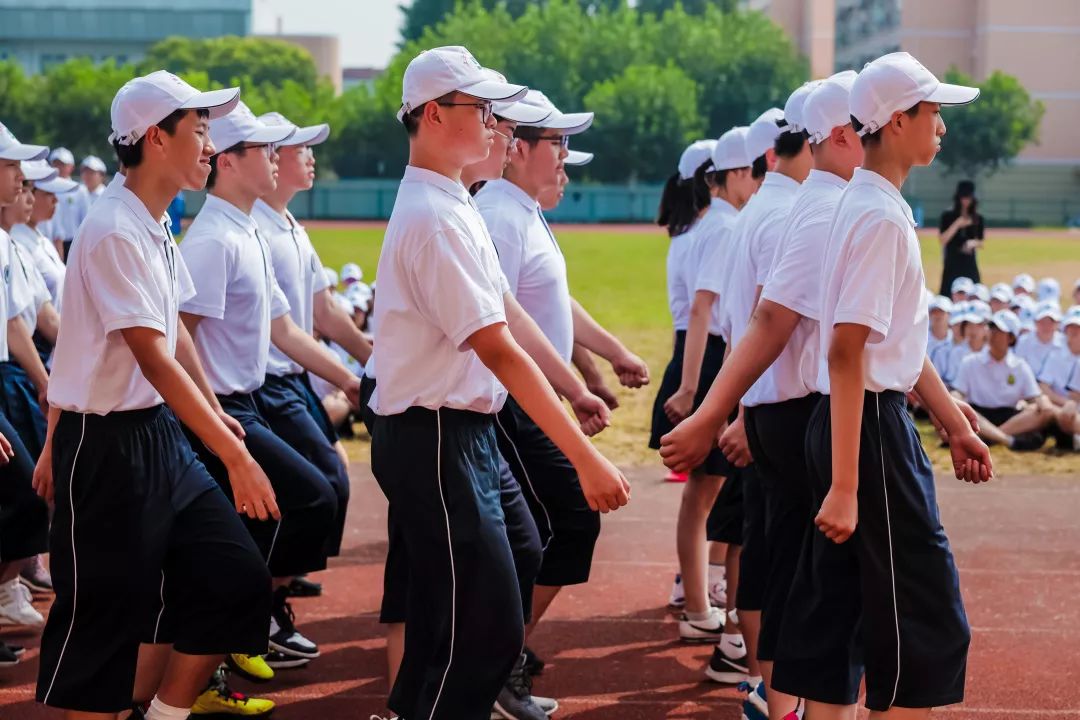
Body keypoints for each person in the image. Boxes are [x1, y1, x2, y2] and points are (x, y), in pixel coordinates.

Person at [370, 45, 629, 720]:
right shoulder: (436, 216)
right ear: (432, 114)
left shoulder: (456, 202)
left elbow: (508, 314)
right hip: (432, 433)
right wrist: (584, 454)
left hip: (463, 432)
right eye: (482, 109)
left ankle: (410, 709)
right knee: (480, 623)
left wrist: (576, 386)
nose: (496, 125)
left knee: (511, 561)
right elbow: (498, 348)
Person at [34, 70, 276, 720]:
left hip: (156, 437)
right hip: (108, 446)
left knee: (234, 576)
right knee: (103, 629)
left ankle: (165, 713)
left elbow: (174, 337)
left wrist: (215, 407)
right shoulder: (114, 228)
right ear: (153, 138)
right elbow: (153, 356)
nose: (208, 145)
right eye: (198, 131)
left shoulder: (150, 220)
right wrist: (233, 452)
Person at [661, 68, 864, 720]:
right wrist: (721, 407)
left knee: (769, 552)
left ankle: (766, 687)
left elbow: (735, 321)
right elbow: (777, 325)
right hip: (794, 408)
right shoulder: (796, 216)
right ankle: (778, 694)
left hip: (765, 405)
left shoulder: (755, 215)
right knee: (809, 573)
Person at [804, 52, 990, 718]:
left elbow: (897, 343)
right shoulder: (882, 218)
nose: (941, 126)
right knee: (925, 623)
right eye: (933, 112)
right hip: (869, 435)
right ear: (897, 120)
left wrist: (955, 422)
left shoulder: (866, 202)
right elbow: (849, 351)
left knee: (845, 616)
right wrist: (849, 485)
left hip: (856, 423)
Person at [477, 87, 649, 714]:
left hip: (534, 392)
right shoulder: (498, 214)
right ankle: (495, 658)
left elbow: (552, 305)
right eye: (557, 143)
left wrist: (607, 355)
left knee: (553, 527)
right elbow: (501, 315)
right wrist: (577, 385)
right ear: (516, 148)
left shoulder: (521, 212)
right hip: (513, 399)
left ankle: (500, 654)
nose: (565, 157)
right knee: (559, 523)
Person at [178, 100, 363, 676]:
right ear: (228, 163)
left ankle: (245, 624)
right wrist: (210, 418)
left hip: (247, 401)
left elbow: (287, 328)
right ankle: (245, 623)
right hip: (222, 407)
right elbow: (176, 340)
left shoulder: (245, 231)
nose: (278, 158)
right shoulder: (213, 240)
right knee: (304, 498)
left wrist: (354, 379)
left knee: (298, 502)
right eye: (263, 149)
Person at [251, 110, 372, 594]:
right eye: (301, 148)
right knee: (318, 489)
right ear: (272, 156)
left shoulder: (289, 225)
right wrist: (352, 375)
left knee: (330, 482)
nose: (311, 157)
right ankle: (260, 601)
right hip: (267, 385)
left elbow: (324, 311)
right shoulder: (254, 227)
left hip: (293, 381)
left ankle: (276, 582)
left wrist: (369, 357)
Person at [663, 127, 756, 651]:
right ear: (736, 175)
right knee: (707, 494)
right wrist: (694, 388)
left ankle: (696, 592)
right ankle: (700, 604)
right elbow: (703, 308)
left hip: (699, 356)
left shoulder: (697, 226)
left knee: (706, 493)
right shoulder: (722, 228)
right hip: (709, 360)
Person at [0, 123, 51, 664]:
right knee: (21, 488)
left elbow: (15, 321)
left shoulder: (3, 240)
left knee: (26, 490)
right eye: (11, 164)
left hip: (7, 376)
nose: (21, 177)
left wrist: (43, 381)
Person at [649, 138, 715, 482]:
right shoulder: (705, 234)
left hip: (690, 347)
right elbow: (701, 310)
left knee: (702, 487)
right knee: (708, 485)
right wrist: (690, 386)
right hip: (702, 350)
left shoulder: (686, 233)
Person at [953, 310, 1052, 450]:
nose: (993, 334)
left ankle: (989, 437)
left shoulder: (1020, 366)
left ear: (1011, 338)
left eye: (999, 331)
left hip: (1009, 417)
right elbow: (959, 392)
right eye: (992, 328)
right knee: (958, 407)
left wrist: (1043, 401)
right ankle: (1006, 440)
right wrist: (954, 398)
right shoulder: (970, 362)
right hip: (978, 414)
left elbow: (1035, 397)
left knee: (1041, 411)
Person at [1037, 306, 1080, 449]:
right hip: (1060, 409)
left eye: (1078, 327)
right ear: (1065, 330)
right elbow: (1043, 387)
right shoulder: (1055, 356)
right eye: (1071, 327)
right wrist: (1066, 403)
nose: (1074, 331)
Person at [938, 179, 984, 296]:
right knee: (948, 295)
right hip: (952, 262)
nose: (966, 201)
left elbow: (981, 241)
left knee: (974, 295)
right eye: (963, 197)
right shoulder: (947, 216)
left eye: (968, 197)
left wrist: (972, 243)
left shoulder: (977, 217)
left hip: (969, 262)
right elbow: (942, 240)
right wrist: (957, 224)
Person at [1016, 300, 1065, 376]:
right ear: (1035, 322)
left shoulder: (1065, 343)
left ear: (1058, 324)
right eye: (1042, 321)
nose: (1046, 326)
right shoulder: (1024, 341)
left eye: (1051, 322)